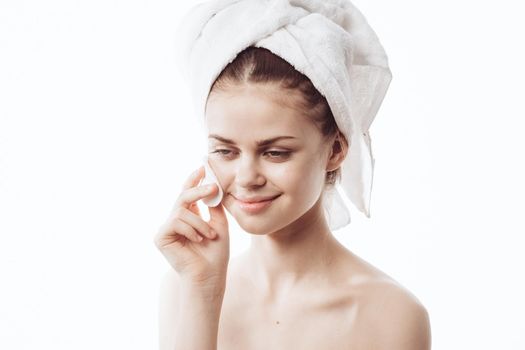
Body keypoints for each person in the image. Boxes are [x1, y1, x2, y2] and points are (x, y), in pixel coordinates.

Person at [154, 46, 431, 350]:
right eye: (225, 151)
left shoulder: (392, 316)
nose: (246, 177)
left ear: (336, 150)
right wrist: (203, 295)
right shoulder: (185, 289)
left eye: (275, 153)